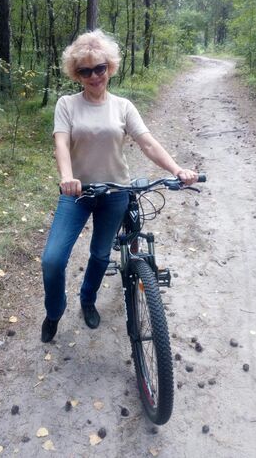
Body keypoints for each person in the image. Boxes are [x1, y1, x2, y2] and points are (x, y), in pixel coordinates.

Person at [41, 29, 197, 342]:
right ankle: (54, 311)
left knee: (100, 255)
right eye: (85, 71)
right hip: (78, 192)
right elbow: (61, 145)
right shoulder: (66, 105)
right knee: (53, 260)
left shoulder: (123, 106)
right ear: (76, 74)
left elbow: (147, 143)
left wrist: (177, 169)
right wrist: (67, 177)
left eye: (99, 68)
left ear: (110, 67)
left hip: (116, 193)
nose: (94, 76)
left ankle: (88, 299)